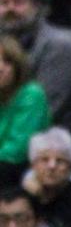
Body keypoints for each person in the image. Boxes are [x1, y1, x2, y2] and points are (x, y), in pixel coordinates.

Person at [0, 0, 71, 131]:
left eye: (18, 2)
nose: (10, 8)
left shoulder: (57, 47)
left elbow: (45, 110)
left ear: (35, 7)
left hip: (50, 142)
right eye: (4, 3)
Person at [0, 36, 48, 181]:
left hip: (25, 172)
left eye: (7, 62)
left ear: (17, 67)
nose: (0, 68)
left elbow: (16, 152)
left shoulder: (31, 94)